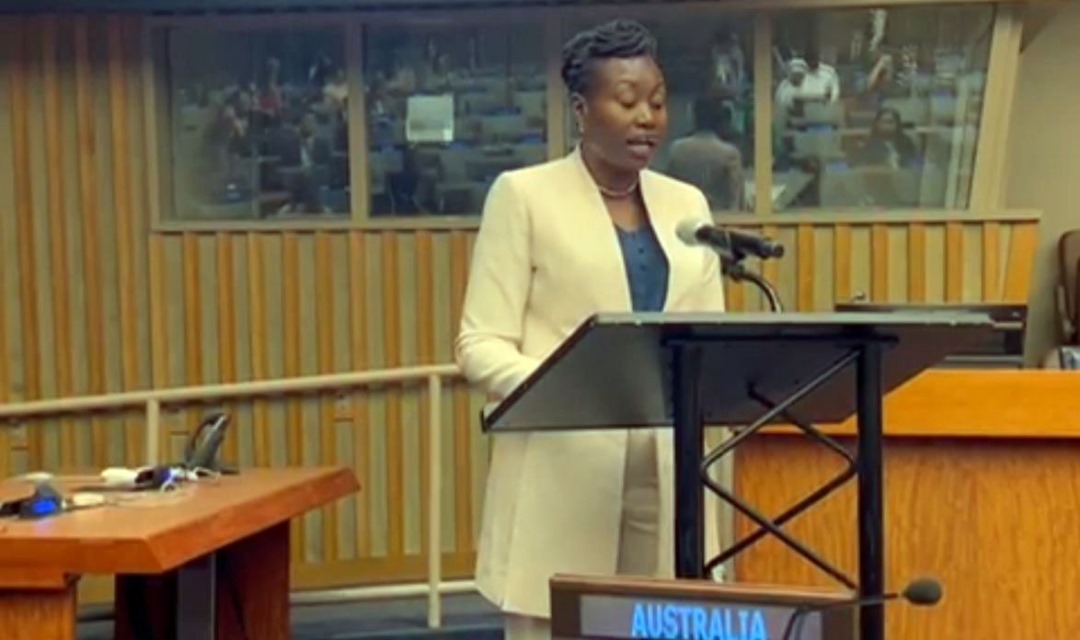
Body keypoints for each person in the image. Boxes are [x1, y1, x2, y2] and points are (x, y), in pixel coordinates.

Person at [455, 19, 727, 640]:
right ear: (581, 110)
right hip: (565, 466)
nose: (646, 118)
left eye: (657, 102)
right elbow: (480, 343)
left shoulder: (688, 205)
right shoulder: (523, 196)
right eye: (626, 101)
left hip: (670, 466)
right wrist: (570, 388)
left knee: (666, 621)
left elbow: (708, 338)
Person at [666, 95, 745, 211]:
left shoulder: (676, 149)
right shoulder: (729, 154)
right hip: (720, 217)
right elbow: (736, 199)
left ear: (694, 118)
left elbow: (669, 189)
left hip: (683, 214)